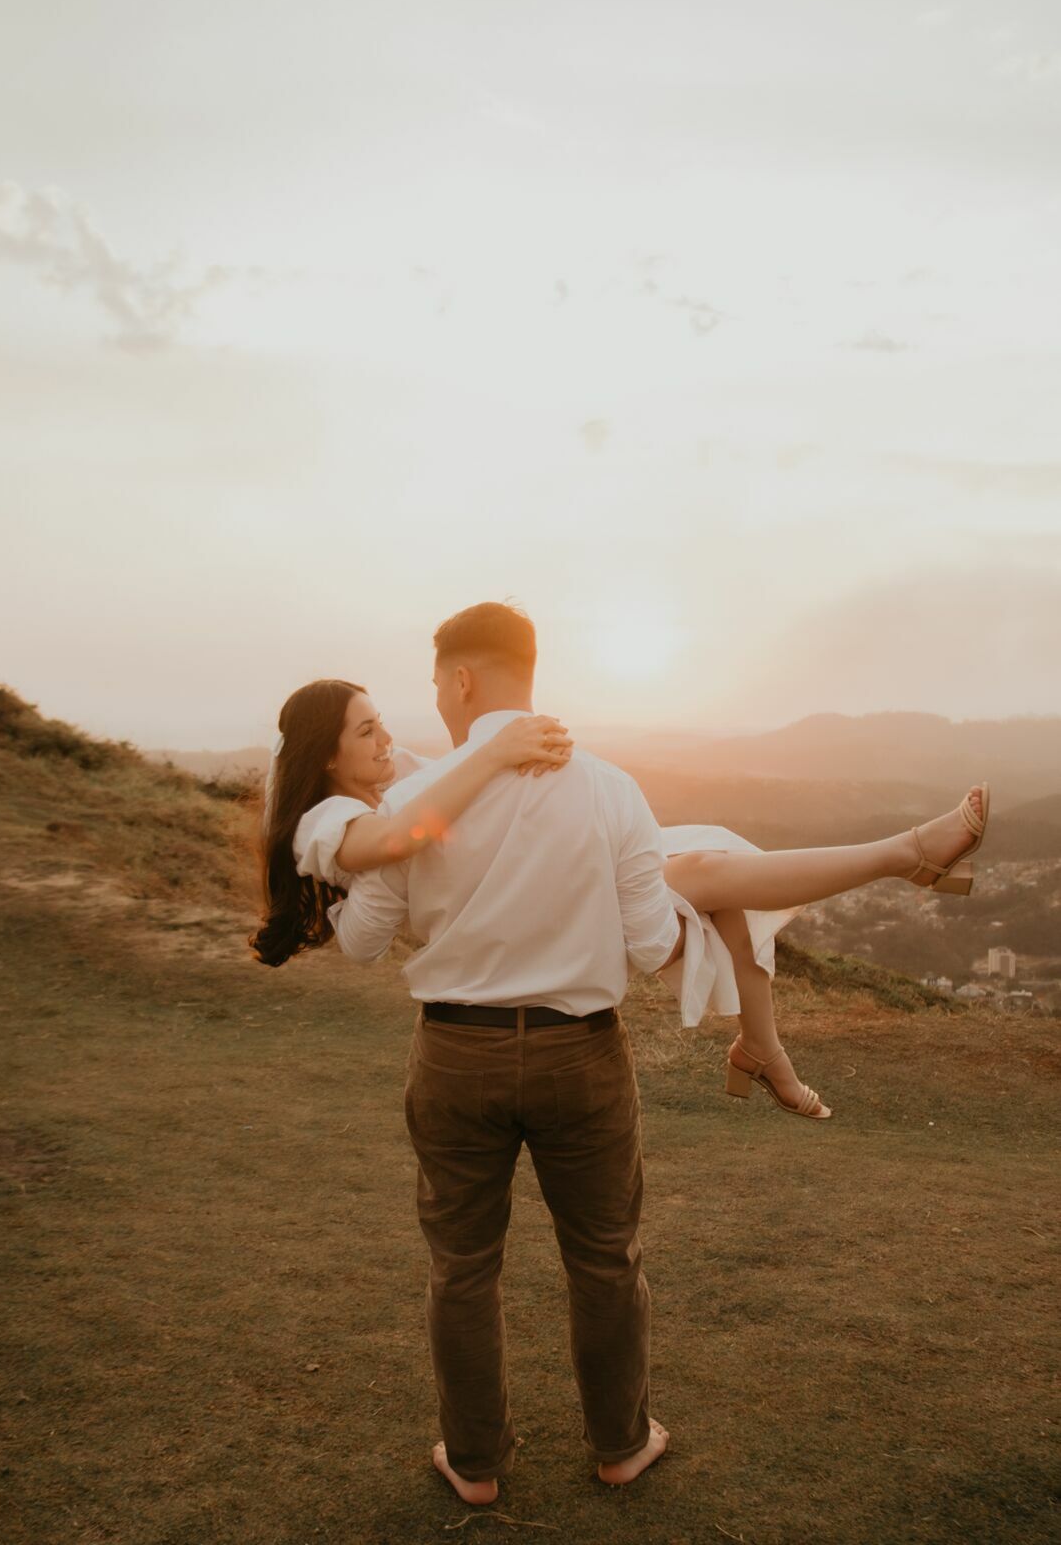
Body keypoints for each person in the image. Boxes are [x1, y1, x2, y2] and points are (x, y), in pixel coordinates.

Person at [294, 601, 988, 1504]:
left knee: (463, 1267)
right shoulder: (610, 787)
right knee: (604, 1259)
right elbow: (644, 937)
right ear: (526, 670)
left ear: (461, 679)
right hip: (575, 1054)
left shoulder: (417, 802)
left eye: (433, 685)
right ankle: (620, 1445)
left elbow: (365, 938)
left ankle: (474, 1466)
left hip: (457, 1053)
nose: (431, 703)